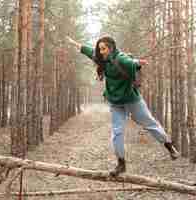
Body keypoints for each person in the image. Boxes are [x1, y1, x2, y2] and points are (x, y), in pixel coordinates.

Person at [66, 36, 179, 176]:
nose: (101, 52)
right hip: (116, 103)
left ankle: (169, 146)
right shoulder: (102, 59)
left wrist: (138, 62)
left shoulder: (120, 58)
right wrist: (74, 43)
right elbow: (88, 51)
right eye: (100, 49)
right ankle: (121, 163)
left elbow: (130, 62)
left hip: (132, 100)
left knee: (150, 123)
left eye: (104, 49)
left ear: (111, 47)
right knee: (117, 132)